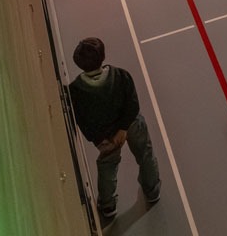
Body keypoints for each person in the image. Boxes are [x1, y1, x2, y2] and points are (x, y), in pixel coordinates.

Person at [66, 37, 161, 226]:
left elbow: (82, 120)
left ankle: (108, 206)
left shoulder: (75, 91)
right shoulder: (121, 75)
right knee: (145, 154)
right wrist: (123, 128)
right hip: (131, 125)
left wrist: (98, 139)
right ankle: (152, 190)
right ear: (102, 56)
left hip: (105, 137)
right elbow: (132, 103)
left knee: (107, 167)